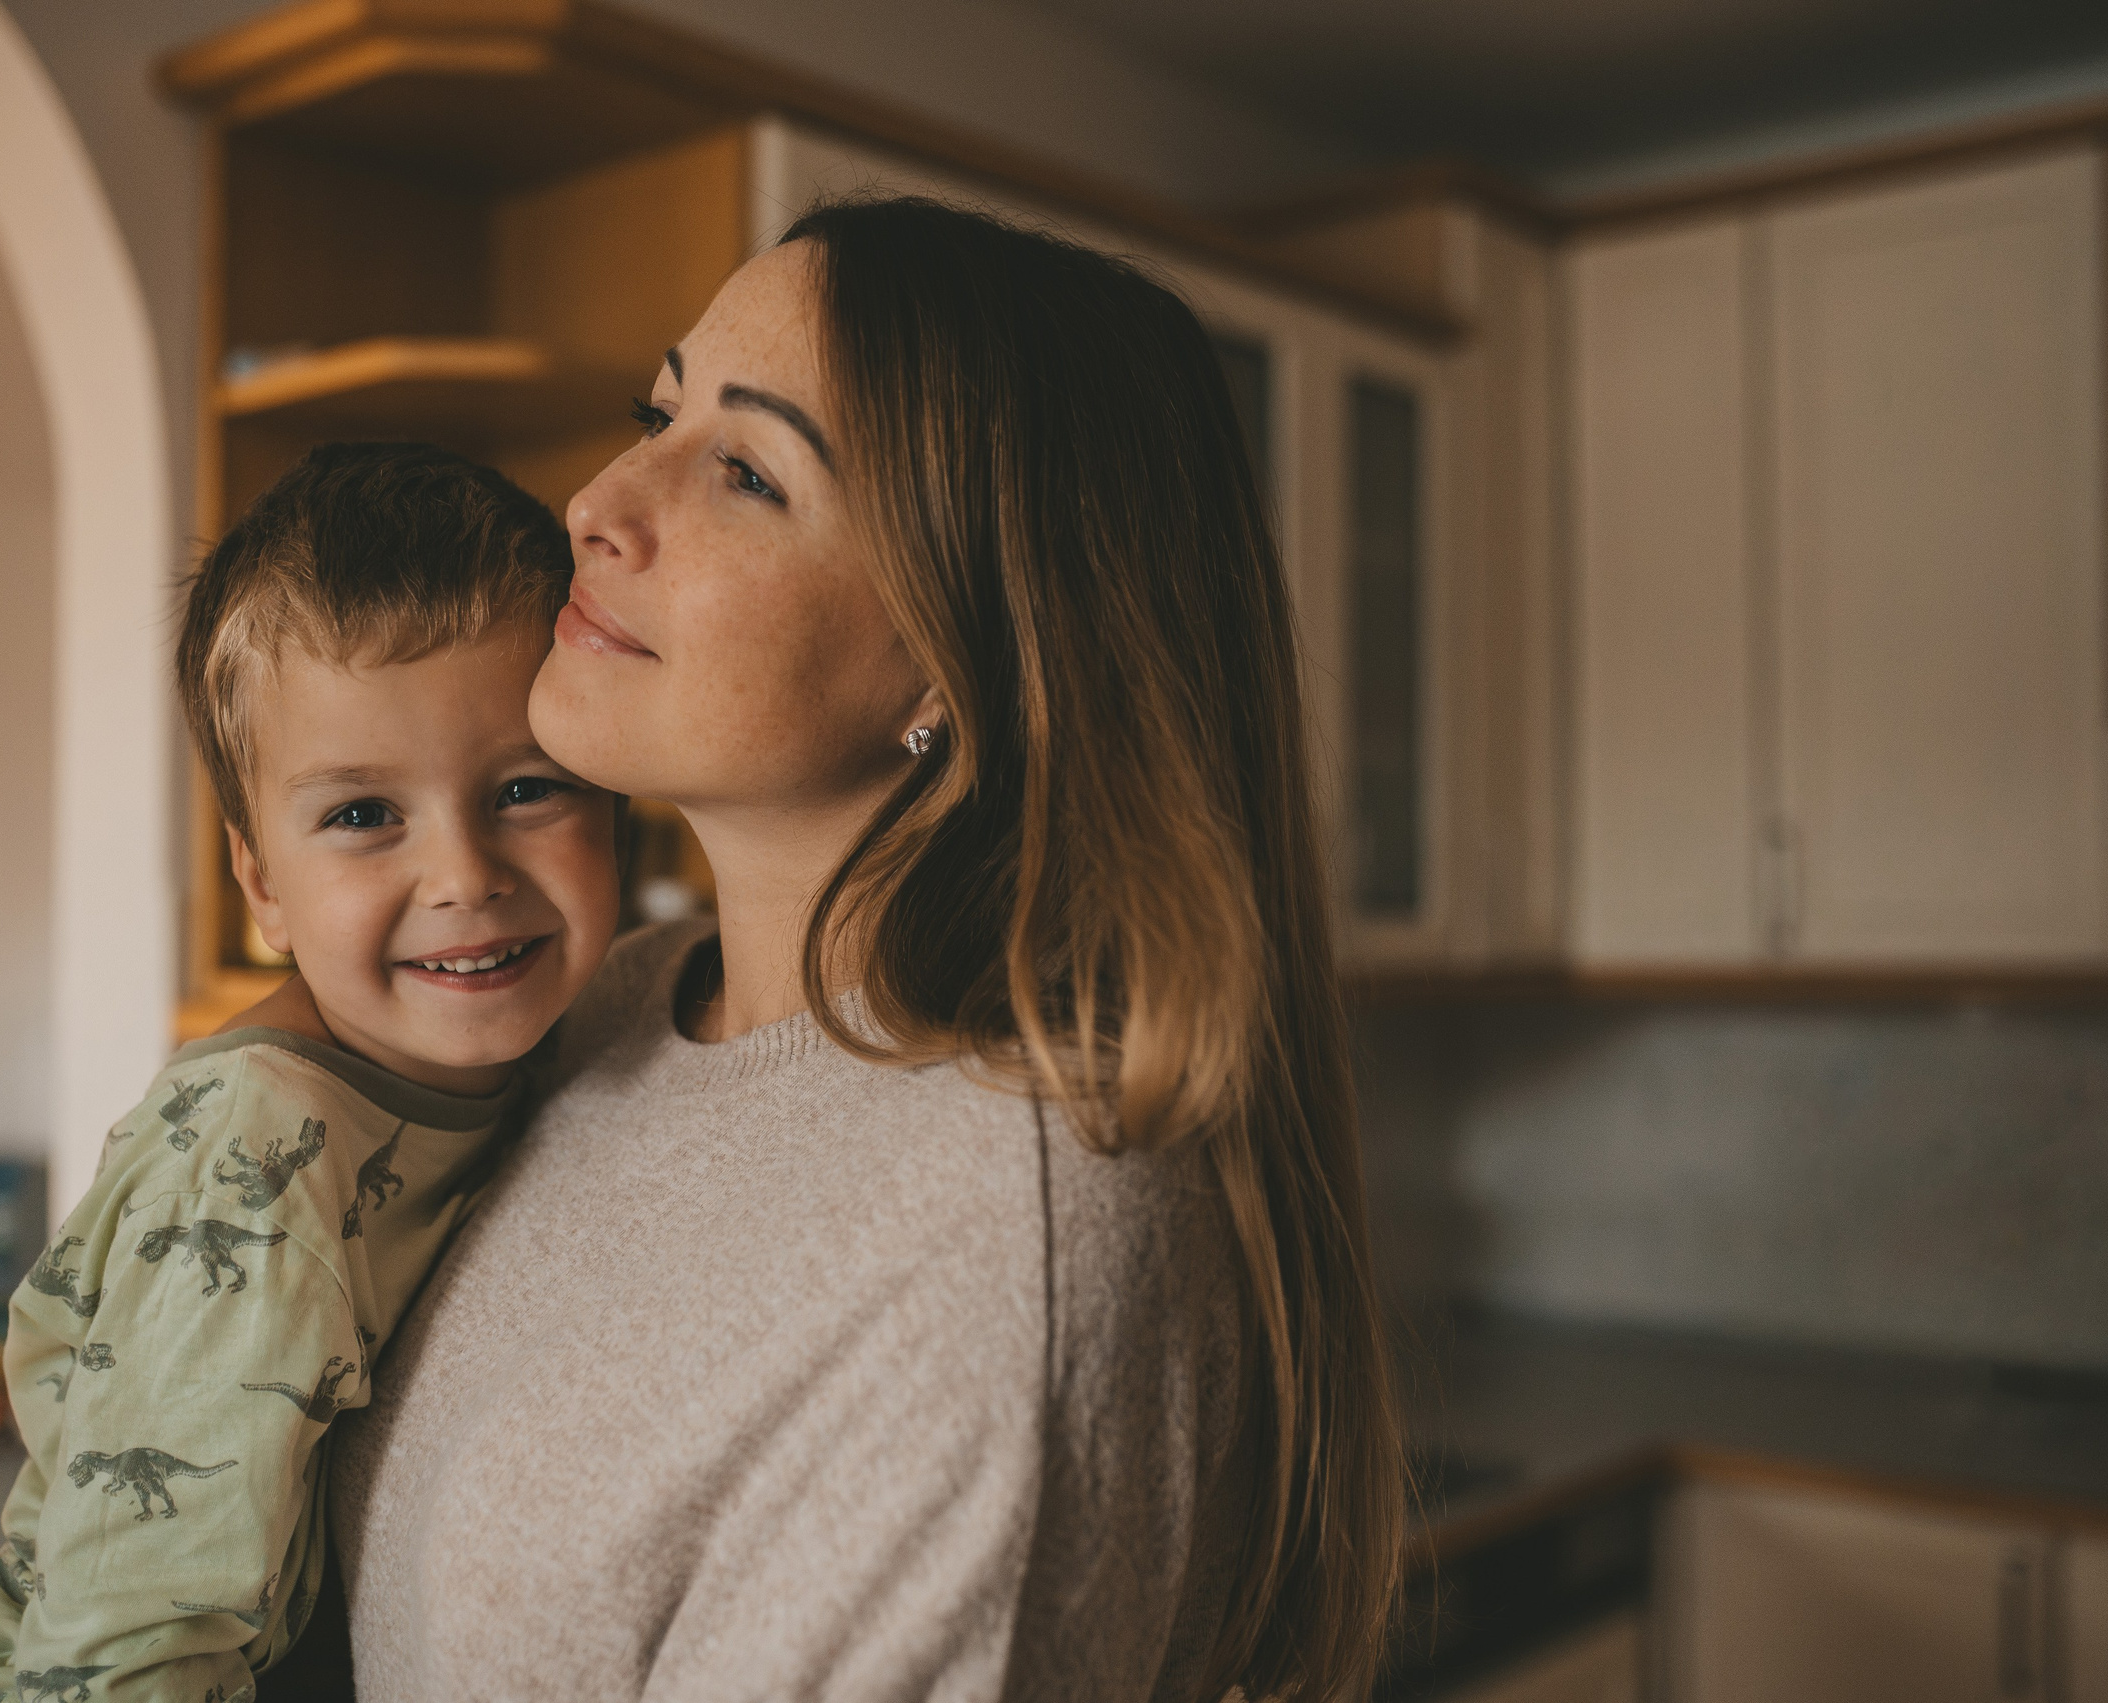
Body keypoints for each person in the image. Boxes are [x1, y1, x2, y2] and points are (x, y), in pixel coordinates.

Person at [333, 197, 1407, 1700]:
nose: (595, 502)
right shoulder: (615, 1003)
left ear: (964, 654)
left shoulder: (1013, 1224)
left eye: (747, 471)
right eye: (658, 413)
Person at [0, 443, 622, 1702]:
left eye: (529, 788)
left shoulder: (573, 1038)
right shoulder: (253, 1164)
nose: (465, 875)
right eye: (364, 814)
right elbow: (125, 1646)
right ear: (261, 883)